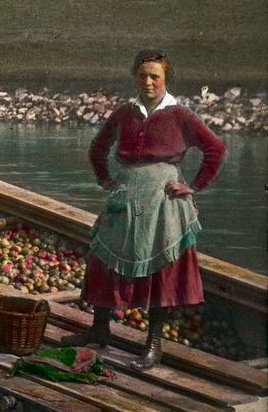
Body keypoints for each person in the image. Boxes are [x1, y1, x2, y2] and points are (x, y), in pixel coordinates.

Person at [64, 48, 226, 368]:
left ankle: (153, 343)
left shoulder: (181, 115)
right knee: (102, 258)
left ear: (166, 79)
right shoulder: (125, 113)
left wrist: (194, 185)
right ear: (135, 78)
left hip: (163, 198)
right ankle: (100, 328)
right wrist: (105, 179)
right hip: (124, 196)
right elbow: (98, 148)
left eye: (155, 76)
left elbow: (215, 149)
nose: (148, 82)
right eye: (142, 76)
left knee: (160, 269)